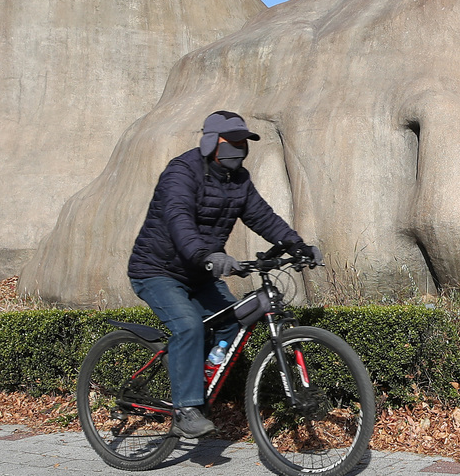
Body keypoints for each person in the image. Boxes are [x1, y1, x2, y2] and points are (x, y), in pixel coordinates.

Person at [128, 110, 318, 439]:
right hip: (157, 270)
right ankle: (186, 409)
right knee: (188, 325)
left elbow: (262, 216)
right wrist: (207, 255)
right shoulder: (182, 172)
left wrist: (296, 245)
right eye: (232, 141)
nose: (240, 148)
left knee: (233, 320)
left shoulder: (239, 180)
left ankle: (195, 381)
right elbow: (178, 218)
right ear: (211, 142)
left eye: (243, 142)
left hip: (199, 273)